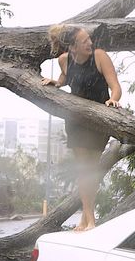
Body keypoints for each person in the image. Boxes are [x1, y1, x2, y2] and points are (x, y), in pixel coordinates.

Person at [41, 25, 122, 232]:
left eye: (89, 39)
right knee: (83, 170)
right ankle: (87, 220)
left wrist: (113, 100)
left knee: (91, 170)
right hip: (76, 120)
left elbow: (115, 87)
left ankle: (88, 219)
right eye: (84, 41)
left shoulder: (99, 56)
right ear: (72, 47)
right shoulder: (64, 60)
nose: (90, 43)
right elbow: (65, 77)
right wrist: (56, 83)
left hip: (98, 120)